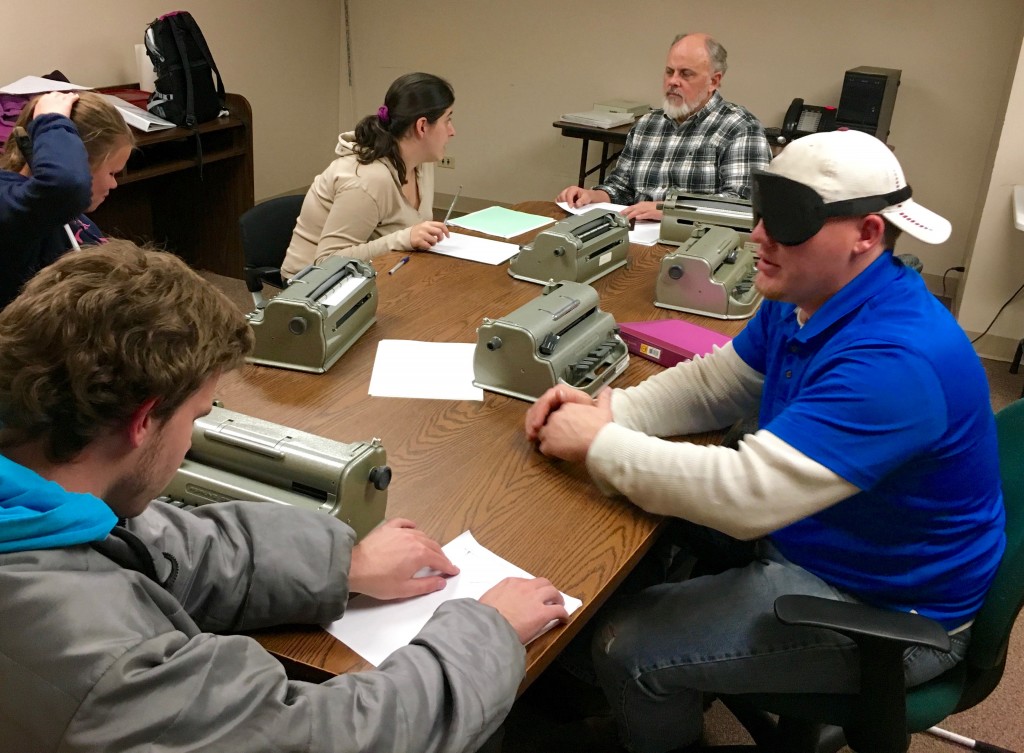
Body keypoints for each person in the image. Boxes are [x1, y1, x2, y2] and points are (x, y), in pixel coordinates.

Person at [527, 129, 1005, 753]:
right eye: (761, 210)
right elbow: (720, 384)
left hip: (884, 610)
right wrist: (611, 411)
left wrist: (596, 445)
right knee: (632, 532)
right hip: (821, 536)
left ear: (866, 234)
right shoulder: (808, 290)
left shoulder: (898, 360)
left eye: (787, 220)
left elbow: (747, 498)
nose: (758, 235)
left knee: (629, 645)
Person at [0, 240, 569, 753]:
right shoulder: (100, 668)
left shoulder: (36, 492)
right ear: (144, 420)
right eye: (199, 416)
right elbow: (322, 737)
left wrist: (342, 563)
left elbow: (155, 543)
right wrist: (485, 632)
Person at [556, 33, 771, 222]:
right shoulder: (648, 124)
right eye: (669, 72)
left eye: (686, 74)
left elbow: (741, 205)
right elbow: (621, 187)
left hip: (693, 243)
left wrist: (669, 210)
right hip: (635, 236)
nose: (673, 81)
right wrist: (592, 196)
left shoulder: (740, 127)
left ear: (714, 81)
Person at [281, 72, 456, 278]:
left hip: (375, 272)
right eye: (447, 120)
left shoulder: (421, 164)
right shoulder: (367, 179)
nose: (452, 131)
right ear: (422, 126)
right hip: (313, 287)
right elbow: (327, 262)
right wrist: (403, 239)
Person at [0, 90, 134, 309]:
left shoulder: (66, 216)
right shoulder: (11, 209)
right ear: (79, 163)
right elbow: (67, 185)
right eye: (112, 173)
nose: (114, 184)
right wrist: (52, 122)